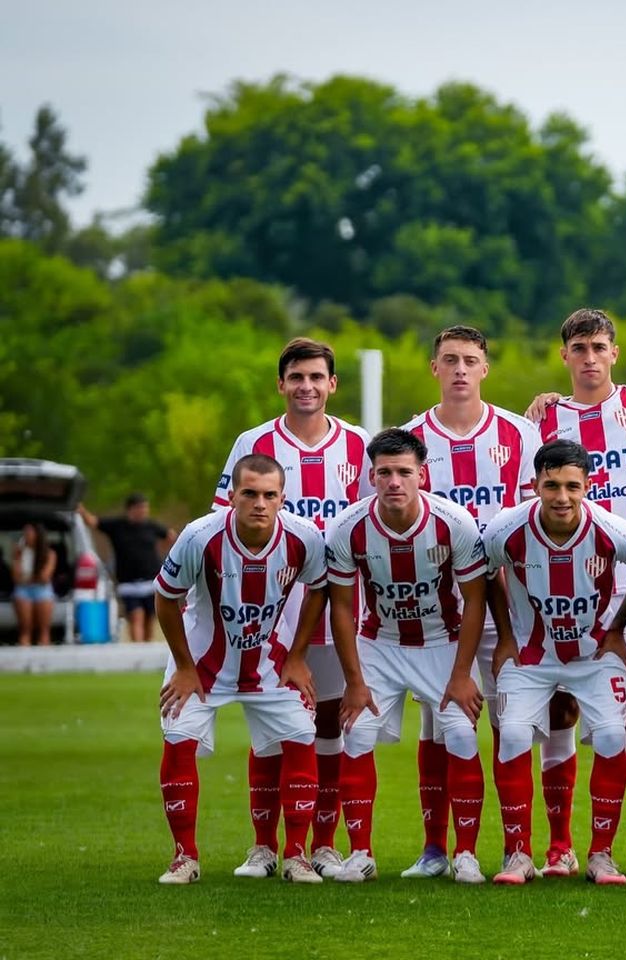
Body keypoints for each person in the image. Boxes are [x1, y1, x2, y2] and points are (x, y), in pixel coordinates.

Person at [526, 308, 626, 878]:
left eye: (599, 347)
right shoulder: (541, 424)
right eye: (579, 348)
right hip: (563, 592)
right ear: (564, 355)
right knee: (562, 710)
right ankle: (561, 845)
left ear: (614, 353)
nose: (589, 357)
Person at [214, 337, 372, 879]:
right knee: (272, 729)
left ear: (333, 385)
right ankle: (263, 846)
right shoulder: (252, 443)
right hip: (273, 612)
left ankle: (321, 844)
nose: (307, 386)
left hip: (340, 608)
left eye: (316, 377)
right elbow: (222, 523)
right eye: (296, 377)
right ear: (281, 384)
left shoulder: (359, 445)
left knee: (328, 723)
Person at [398, 325, 541, 879]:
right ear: (434, 368)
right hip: (437, 614)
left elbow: (535, 520)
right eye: (450, 360)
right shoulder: (409, 438)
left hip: (507, 607)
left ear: (486, 368)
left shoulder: (520, 434)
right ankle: (438, 849)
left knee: (512, 725)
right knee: (440, 728)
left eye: (471, 360)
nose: (460, 369)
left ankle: (517, 848)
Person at [325, 428, 489, 885]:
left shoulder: (454, 522)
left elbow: (476, 600)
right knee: (356, 733)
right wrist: (354, 682)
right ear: (371, 477)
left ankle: (466, 854)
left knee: (459, 735)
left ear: (422, 475)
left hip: (442, 643)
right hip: (380, 644)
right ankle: (360, 853)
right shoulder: (347, 528)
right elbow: (341, 606)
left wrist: (461, 674)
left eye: (403, 472)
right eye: (384, 473)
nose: (394, 481)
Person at [155, 454, 329, 885]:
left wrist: (297, 655)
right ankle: (185, 857)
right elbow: (164, 597)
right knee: (178, 738)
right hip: (202, 666)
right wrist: (182, 667)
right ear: (231, 496)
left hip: (271, 665)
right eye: (249, 493)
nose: (259, 503)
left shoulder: (304, 538)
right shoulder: (200, 536)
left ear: (282, 499)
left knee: (303, 735)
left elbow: (319, 591)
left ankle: (294, 855)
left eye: (270, 495)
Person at [483, 439, 626, 886]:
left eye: (572, 486)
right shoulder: (506, 529)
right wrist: (503, 635)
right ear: (535, 484)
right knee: (514, 733)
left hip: (593, 655)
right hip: (531, 654)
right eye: (551, 485)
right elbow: (483, 573)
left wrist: (616, 628)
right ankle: (517, 853)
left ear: (587, 486)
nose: (561, 497)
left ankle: (601, 855)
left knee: (614, 736)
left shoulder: (613, 529)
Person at [79, 494, 177, 642]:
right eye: (141, 508)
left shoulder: (151, 527)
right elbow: (93, 522)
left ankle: (146, 646)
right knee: (136, 615)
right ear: (131, 509)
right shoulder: (117, 526)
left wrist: (163, 553)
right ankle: (138, 647)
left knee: (149, 619)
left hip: (150, 580)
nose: (144, 511)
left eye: (145, 508)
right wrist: (80, 509)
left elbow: (171, 536)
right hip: (128, 582)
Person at [12, 523, 55, 647]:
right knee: (25, 630)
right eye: (25, 533)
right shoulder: (19, 553)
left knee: (44, 631)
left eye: (29, 532)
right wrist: (17, 557)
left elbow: (45, 577)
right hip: (23, 590)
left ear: (37, 535)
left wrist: (28, 578)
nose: (26, 535)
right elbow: (16, 577)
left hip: (42, 590)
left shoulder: (49, 554)